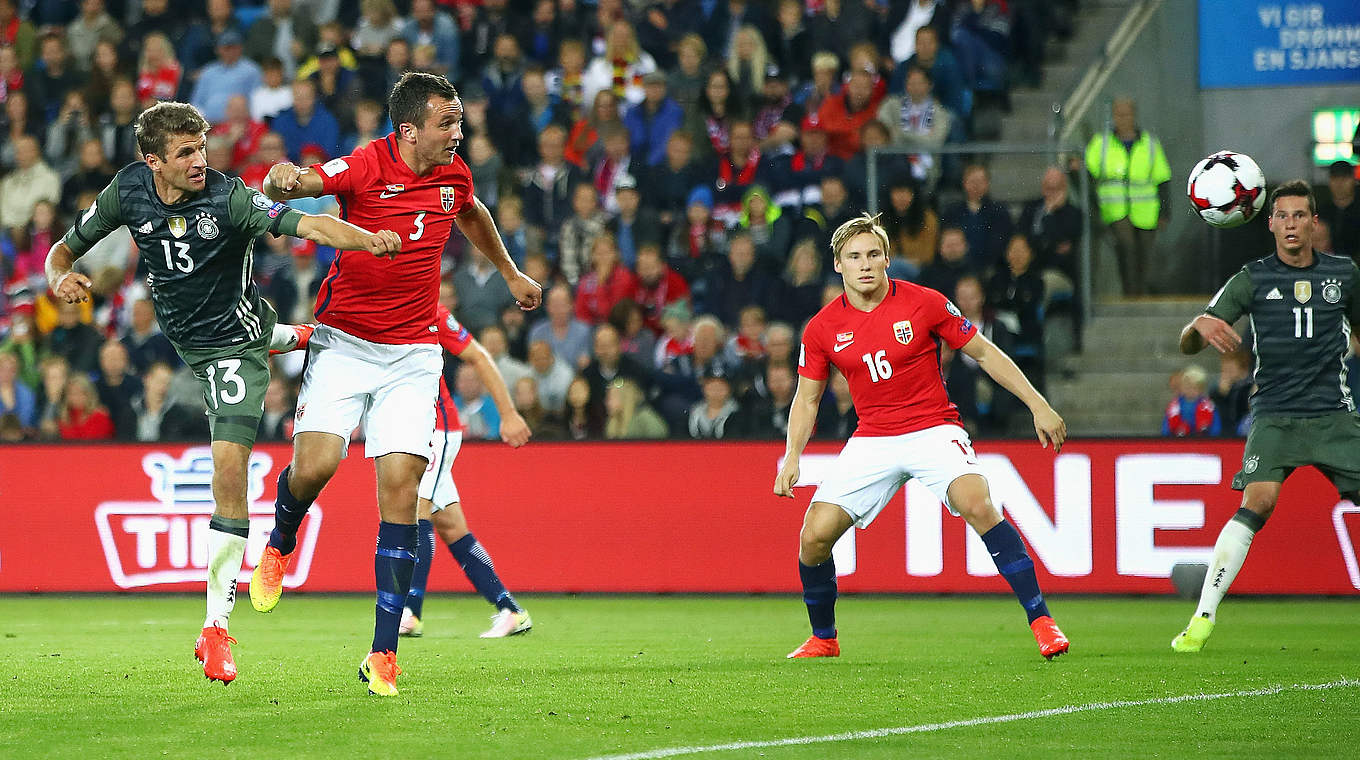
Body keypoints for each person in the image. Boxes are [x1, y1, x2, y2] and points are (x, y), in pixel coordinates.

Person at [43, 100, 398, 685]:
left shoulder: (230, 197)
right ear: (151, 160)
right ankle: (296, 337)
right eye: (185, 152)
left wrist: (369, 240)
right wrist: (61, 277)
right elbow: (62, 249)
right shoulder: (128, 190)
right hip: (194, 332)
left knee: (229, 472)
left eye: (202, 147)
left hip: (229, 347)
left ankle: (214, 631)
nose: (199, 160)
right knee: (283, 340)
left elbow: (306, 223)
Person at [251, 72, 542, 696]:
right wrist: (284, 179)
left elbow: (474, 214)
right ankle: (280, 540)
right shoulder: (364, 165)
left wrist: (511, 273)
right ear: (408, 130)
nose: (458, 134)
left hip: (412, 353)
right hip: (344, 342)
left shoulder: (454, 175)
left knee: (401, 487)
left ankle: (383, 651)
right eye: (447, 123)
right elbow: (310, 181)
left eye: (460, 122)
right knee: (317, 466)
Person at [773, 213, 1069, 660]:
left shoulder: (925, 302)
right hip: (872, 437)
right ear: (838, 265)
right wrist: (792, 455)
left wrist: (1038, 404)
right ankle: (824, 637)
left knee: (978, 503)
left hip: (933, 427)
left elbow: (984, 353)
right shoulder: (821, 328)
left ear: (888, 258)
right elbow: (807, 398)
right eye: (854, 257)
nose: (865, 264)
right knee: (813, 537)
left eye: (873, 254)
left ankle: (1043, 622)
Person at [1171, 180, 1360, 653]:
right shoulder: (1251, 278)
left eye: (1301, 215)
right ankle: (1202, 618)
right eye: (1283, 216)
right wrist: (1197, 326)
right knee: (1258, 501)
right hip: (1274, 416)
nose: (1292, 224)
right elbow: (1189, 340)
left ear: (1314, 223)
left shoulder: (1345, 274)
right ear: (1270, 222)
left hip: (1333, 415)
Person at [399, 303, 533, 639]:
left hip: (437, 428)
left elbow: (478, 356)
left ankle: (410, 612)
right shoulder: (377, 309)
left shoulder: (431, 311)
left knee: (417, 512)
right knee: (451, 525)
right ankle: (510, 610)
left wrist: (508, 413)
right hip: (410, 427)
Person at [1083, 97, 1171, 296]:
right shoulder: (1101, 143)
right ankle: (1131, 295)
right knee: (1127, 249)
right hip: (1115, 210)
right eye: (1119, 114)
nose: (1123, 119)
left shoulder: (1149, 143)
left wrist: (1165, 212)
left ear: (1134, 115)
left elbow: (1163, 179)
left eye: (1127, 114)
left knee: (1144, 256)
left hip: (1147, 212)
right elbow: (1086, 172)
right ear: (1113, 116)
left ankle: (1139, 296)